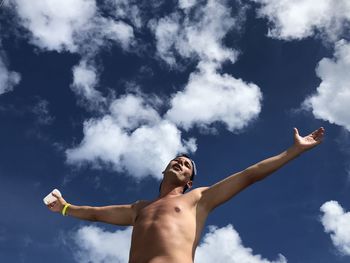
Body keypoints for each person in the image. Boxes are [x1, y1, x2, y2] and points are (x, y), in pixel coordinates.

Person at [47, 127, 325, 263]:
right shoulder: (139, 208)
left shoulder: (198, 199)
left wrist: (294, 151)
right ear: (165, 168)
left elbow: (249, 175)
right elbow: (96, 213)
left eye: (187, 164)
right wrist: (64, 207)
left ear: (190, 181)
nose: (180, 162)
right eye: (176, 160)